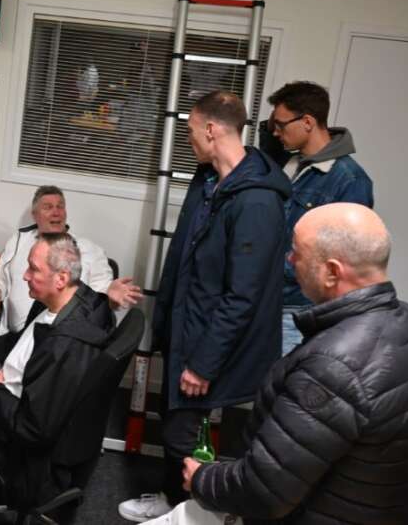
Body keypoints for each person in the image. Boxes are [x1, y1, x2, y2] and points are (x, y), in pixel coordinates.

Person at [144, 204, 408, 524]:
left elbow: (263, 492)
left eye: (297, 253)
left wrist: (201, 478)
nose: (289, 260)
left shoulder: (333, 366)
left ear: (332, 272)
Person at [120, 91, 290, 522]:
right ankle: (172, 499)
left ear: (211, 129)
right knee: (172, 419)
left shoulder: (257, 201)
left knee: (181, 433)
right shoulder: (209, 177)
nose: (188, 138)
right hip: (185, 324)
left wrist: (203, 365)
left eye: (192, 129)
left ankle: (192, 515)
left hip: (210, 342)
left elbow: (243, 295)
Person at [0, 232, 115, 511]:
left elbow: (31, 428)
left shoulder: (64, 346)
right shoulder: (72, 301)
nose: (25, 276)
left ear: (61, 278)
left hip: (25, 449)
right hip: (10, 393)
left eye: (33, 269)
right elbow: (14, 342)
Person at [265, 81, 374, 354]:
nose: (275, 132)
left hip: (295, 311)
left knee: (282, 381)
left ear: (308, 122)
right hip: (263, 301)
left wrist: (274, 268)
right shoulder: (286, 165)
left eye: (281, 125)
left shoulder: (350, 180)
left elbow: (340, 257)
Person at [0, 185, 142, 334]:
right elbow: (1, 280)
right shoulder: (18, 241)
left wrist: (112, 299)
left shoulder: (89, 250)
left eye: (60, 206)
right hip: (13, 339)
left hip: (59, 342)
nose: (56, 212)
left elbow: (101, 298)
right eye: (48, 207)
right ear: (35, 215)